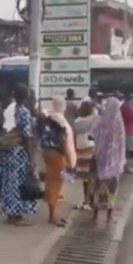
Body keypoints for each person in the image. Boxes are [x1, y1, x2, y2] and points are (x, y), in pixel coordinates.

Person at [0, 84, 38, 226]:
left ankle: (10, 212)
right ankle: (15, 215)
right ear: (26, 96)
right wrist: (31, 158)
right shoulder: (24, 112)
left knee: (9, 182)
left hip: (8, 150)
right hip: (19, 151)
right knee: (18, 183)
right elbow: (26, 136)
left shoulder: (9, 110)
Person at [41, 97, 77, 227]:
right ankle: (52, 216)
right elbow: (63, 141)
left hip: (46, 154)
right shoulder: (60, 120)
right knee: (55, 185)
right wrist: (69, 159)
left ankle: (53, 213)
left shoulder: (48, 117)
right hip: (57, 155)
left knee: (51, 183)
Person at [91, 96, 126, 222]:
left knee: (98, 185)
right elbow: (122, 144)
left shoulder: (101, 122)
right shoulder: (119, 124)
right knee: (112, 187)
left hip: (100, 159)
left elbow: (93, 135)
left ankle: (95, 212)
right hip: (115, 162)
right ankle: (109, 214)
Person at [72, 98, 98, 210]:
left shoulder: (77, 121)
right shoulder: (94, 120)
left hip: (80, 150)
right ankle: (91, 201)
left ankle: (85, 200)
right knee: (92, 176)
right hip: (91, 148)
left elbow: (74, 136)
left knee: (84, 178)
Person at [120, 92, 133, 174]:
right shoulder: (128, 107)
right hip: (128, 130)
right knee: (128, 150)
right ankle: (127, 167)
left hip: (123, 130)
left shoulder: (122, 106)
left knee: (124, 149)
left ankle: (124, 166)